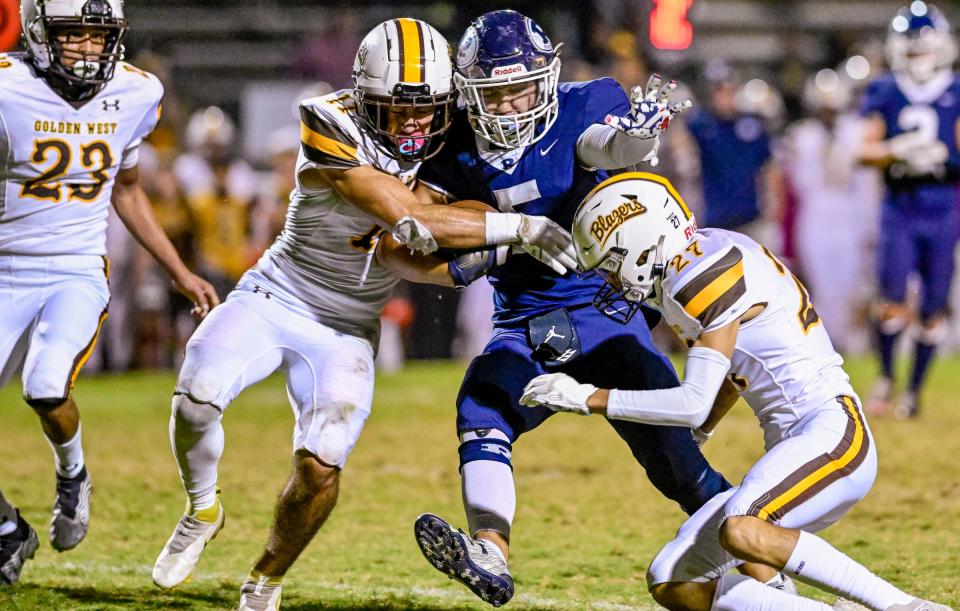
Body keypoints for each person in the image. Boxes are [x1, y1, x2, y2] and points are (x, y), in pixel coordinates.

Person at [150, 18, 577, 611]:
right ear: (362, 96)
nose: (412, 124)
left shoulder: (455, 130)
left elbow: (438, 230)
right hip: (278, 293)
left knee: (323, 464)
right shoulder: (329, 119)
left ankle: (264, 580)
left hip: (350, 324)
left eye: (426, 108)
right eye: (395, 110)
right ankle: (202, 508)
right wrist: (519, 229)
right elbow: (406, 214)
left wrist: (480, 251)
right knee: (197, 392)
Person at [377, 10, 784, 607]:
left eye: (522, 87)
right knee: (482, 403)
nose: (513, 105)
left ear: (547, 76)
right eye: (497, 93)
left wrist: (636, 140)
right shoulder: (457, 146)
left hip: (607, 310)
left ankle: (771, 567)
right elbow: (401, 243)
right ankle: (490, 549)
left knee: (678, 464)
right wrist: (484, 250)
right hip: (525, 320)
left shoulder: (586, 102)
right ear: (470, 94)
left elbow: (601, 145)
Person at [520, 172, 952, 611]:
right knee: (672, 580)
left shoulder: (698, 276)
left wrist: (586, 397)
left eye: (611, 266)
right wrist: (704, 429)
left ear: (640, 244)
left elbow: (691, 402)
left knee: (743, 529)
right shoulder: (702, 254)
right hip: (795, 443)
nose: (611, 282)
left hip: (831, 431)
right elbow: (731, 372)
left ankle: (904, 606)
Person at [0, 0, 218, 587]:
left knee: (46, 386)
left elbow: (126, 190)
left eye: (101, 36)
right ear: (42, 33)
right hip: (2, 268)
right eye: (75, 35)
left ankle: (72, 477)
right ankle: (6, 530)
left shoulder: (136, 92)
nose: (89, 49)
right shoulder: (7, 88)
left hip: (73, 268)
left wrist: (176, 268)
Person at [859, 1, 960, 419]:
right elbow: (863, 151)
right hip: (899, 207)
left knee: (934, 306)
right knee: (890, 299)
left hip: (943, 206)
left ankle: (913, 392)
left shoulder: (954, 89)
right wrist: (894, 151)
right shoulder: (886, 89)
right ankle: (886, 375)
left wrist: (943, 157)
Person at [784, 69, 881, 353]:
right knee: (822, 284)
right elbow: (799, 182)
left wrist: (869, 223)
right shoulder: (802, 135)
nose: (828, 113)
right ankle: (829, 343)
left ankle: (849, 341)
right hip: (816, 212)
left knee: (852, 281)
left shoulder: (854, 130)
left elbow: (866, 183)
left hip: (847, 210)